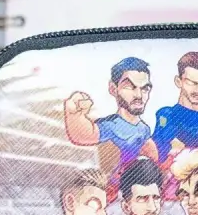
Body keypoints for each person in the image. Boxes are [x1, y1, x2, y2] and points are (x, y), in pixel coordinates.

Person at [64, 56, 158, 201]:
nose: (139, 95)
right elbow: (83, 135)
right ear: (113, 89)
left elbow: (149, 150)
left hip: (132, 190)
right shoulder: (112, 125)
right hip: (108, 191)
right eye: (130, 87)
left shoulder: (143, 128)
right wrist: (74, 112)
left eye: (145, 88)